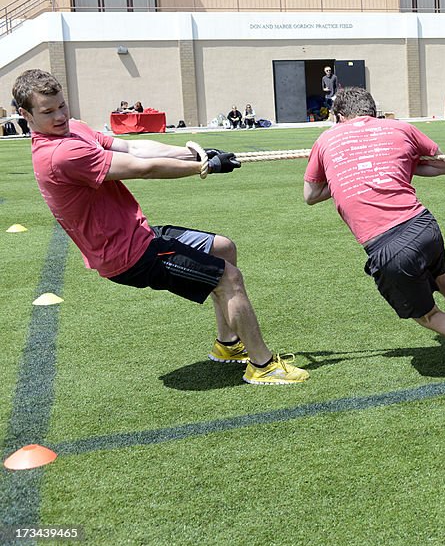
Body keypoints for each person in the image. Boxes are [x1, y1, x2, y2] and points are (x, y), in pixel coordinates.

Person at [12, 68, 307, 385]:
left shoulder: (75, 130)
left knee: (224, 248)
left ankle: (228, 345)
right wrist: (201, 167)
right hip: (127, 254)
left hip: (139, 234)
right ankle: (262, 365)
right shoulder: (60, 154)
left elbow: (133, 148)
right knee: (228, 279)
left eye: (61, 106)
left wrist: (195, 152)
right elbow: (143, 168)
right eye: (48, 111)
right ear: (25, 114)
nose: (59, 116)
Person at [303, 86, 445, 374]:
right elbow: (442, 167)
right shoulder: (400, 127)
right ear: (372, 110)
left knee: (428, 317)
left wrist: (354, 173)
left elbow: (310, 194)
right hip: (423, 224)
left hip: (389, 245)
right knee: (442, 279)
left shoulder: (326, 137)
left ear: (340, 115)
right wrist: (391, 166)